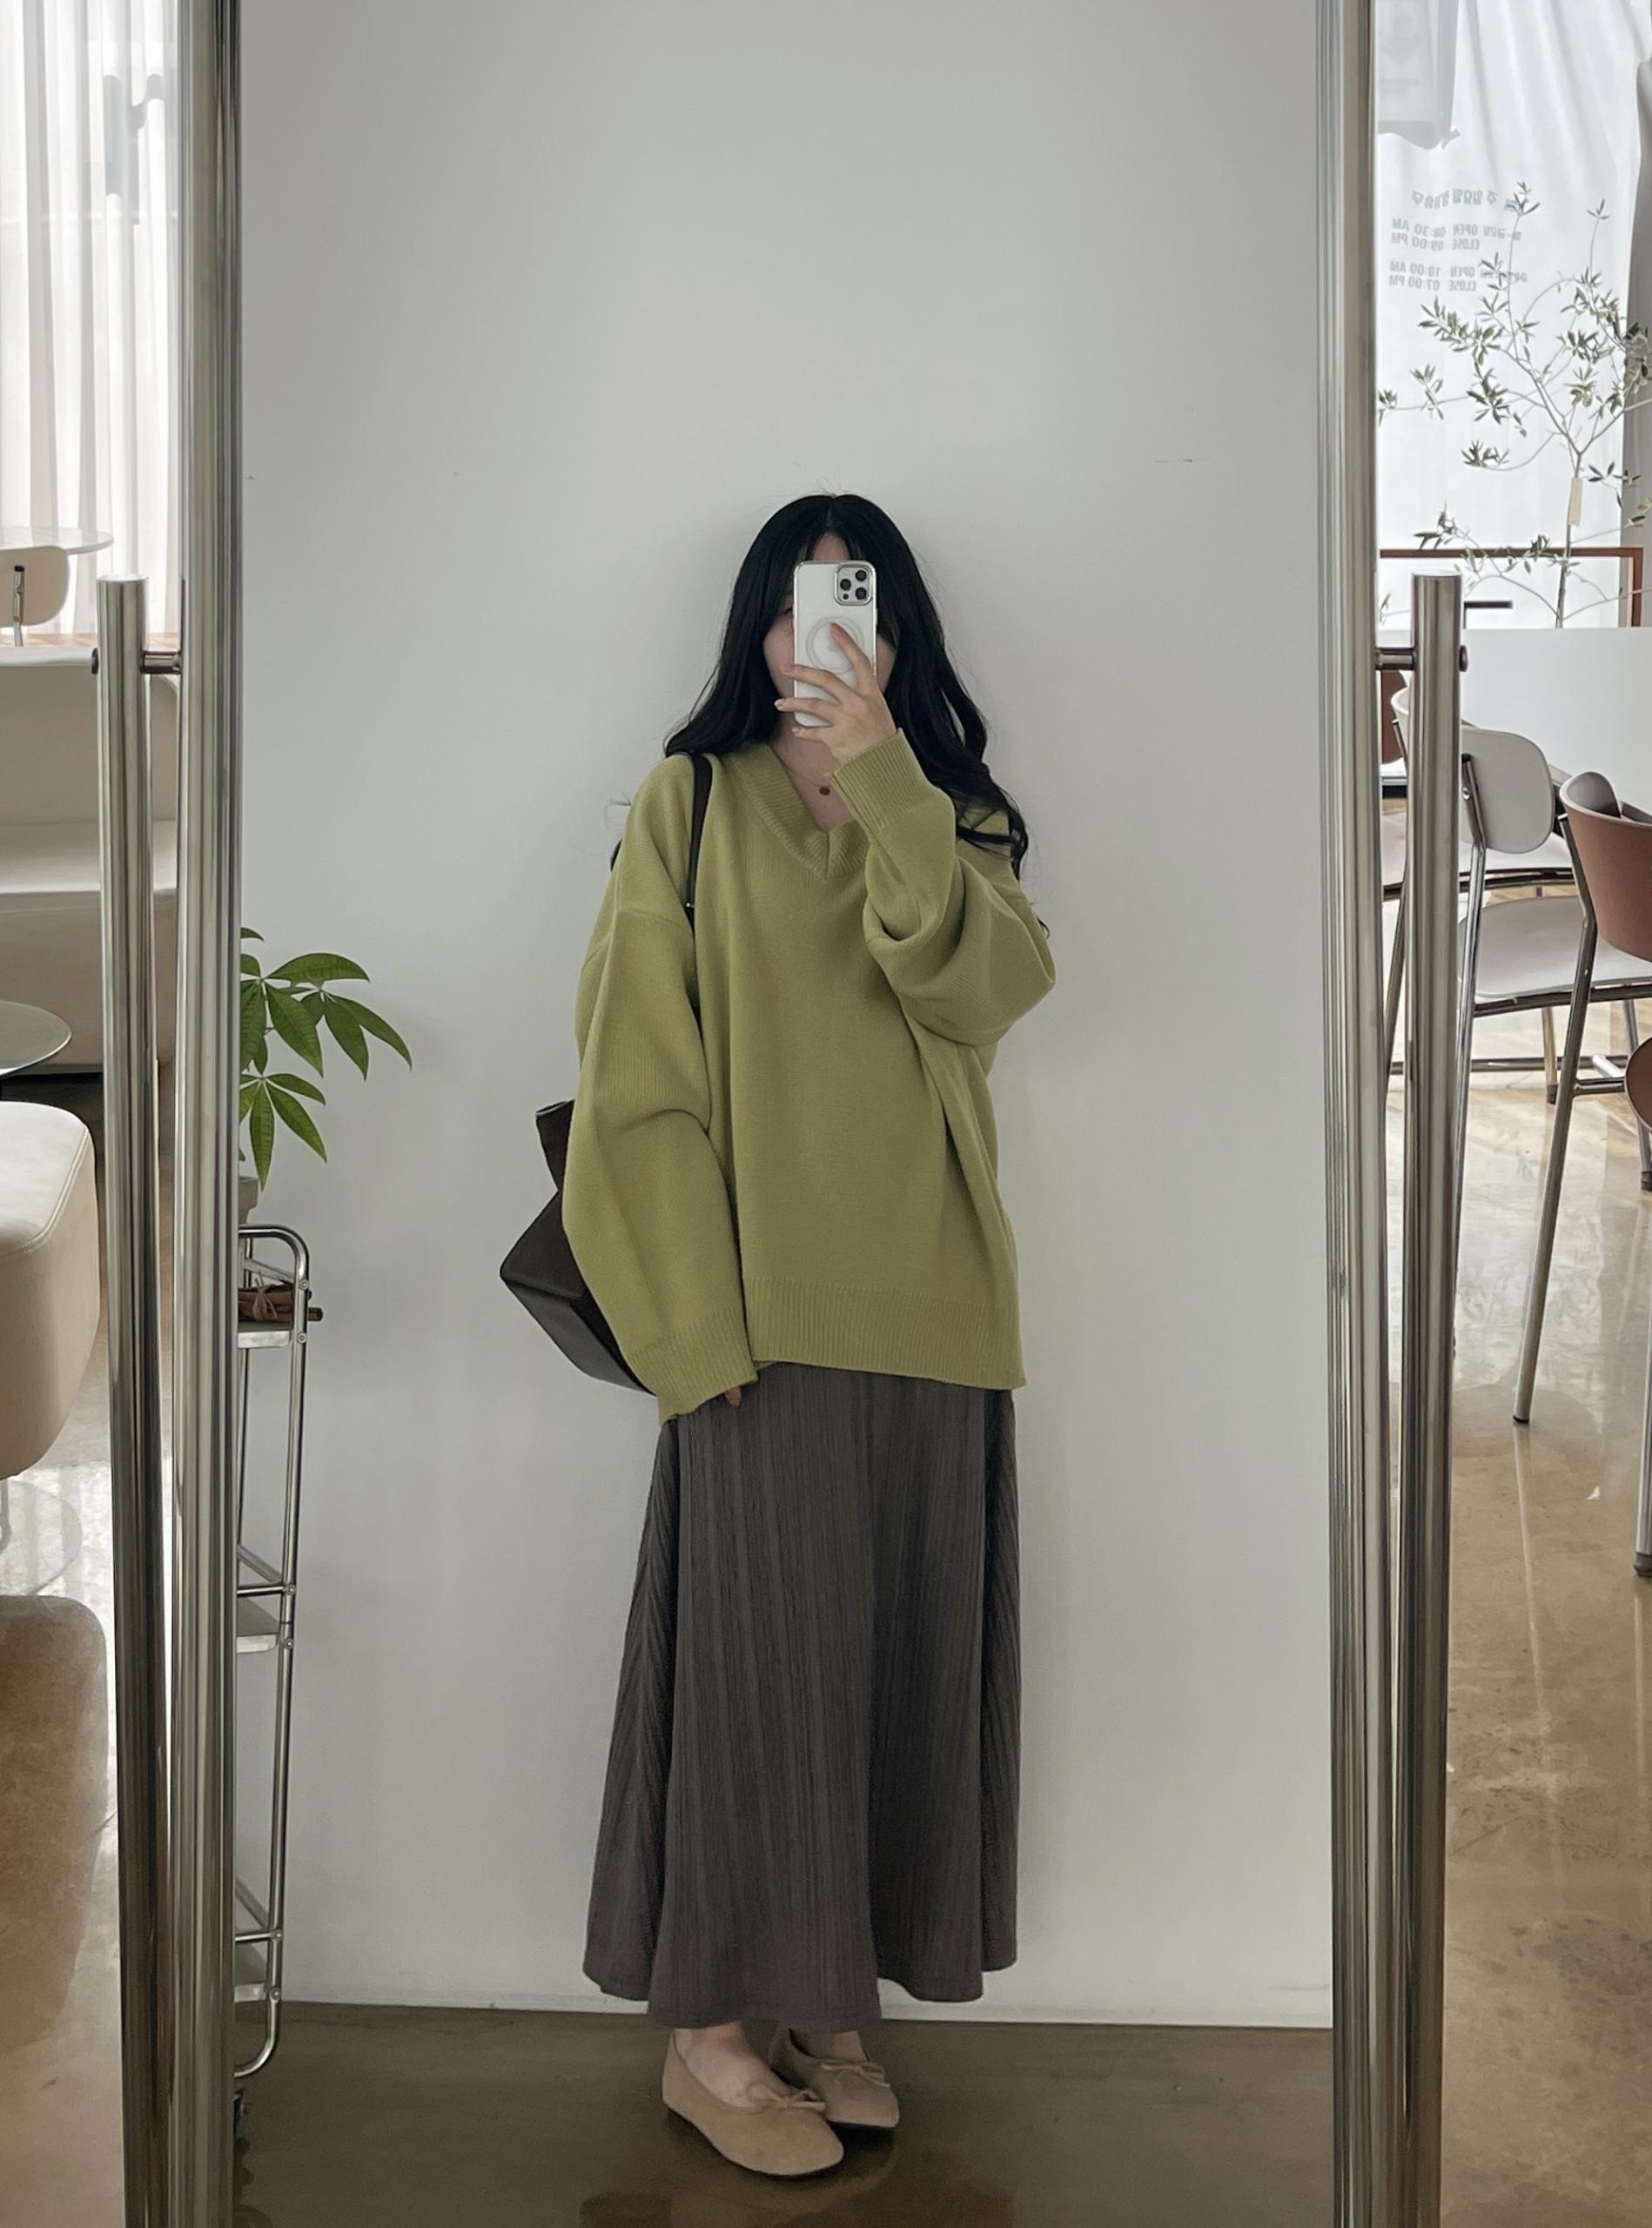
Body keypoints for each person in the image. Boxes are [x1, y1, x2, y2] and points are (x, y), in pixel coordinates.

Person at [562, 492, 1056, 2178]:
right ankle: (708, 2036)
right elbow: (637, 1079)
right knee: (756, 1685)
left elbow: (982, 992)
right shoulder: (688, 802)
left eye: (856, 604)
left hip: (939, 1307)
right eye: (798, 603)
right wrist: (692, 1332)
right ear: (754, 627)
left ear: (897, 633)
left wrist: (885, 778)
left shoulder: (952, 810)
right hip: (756, 1326)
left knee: (889, 1681)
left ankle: (825, 2008)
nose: (823, 635)